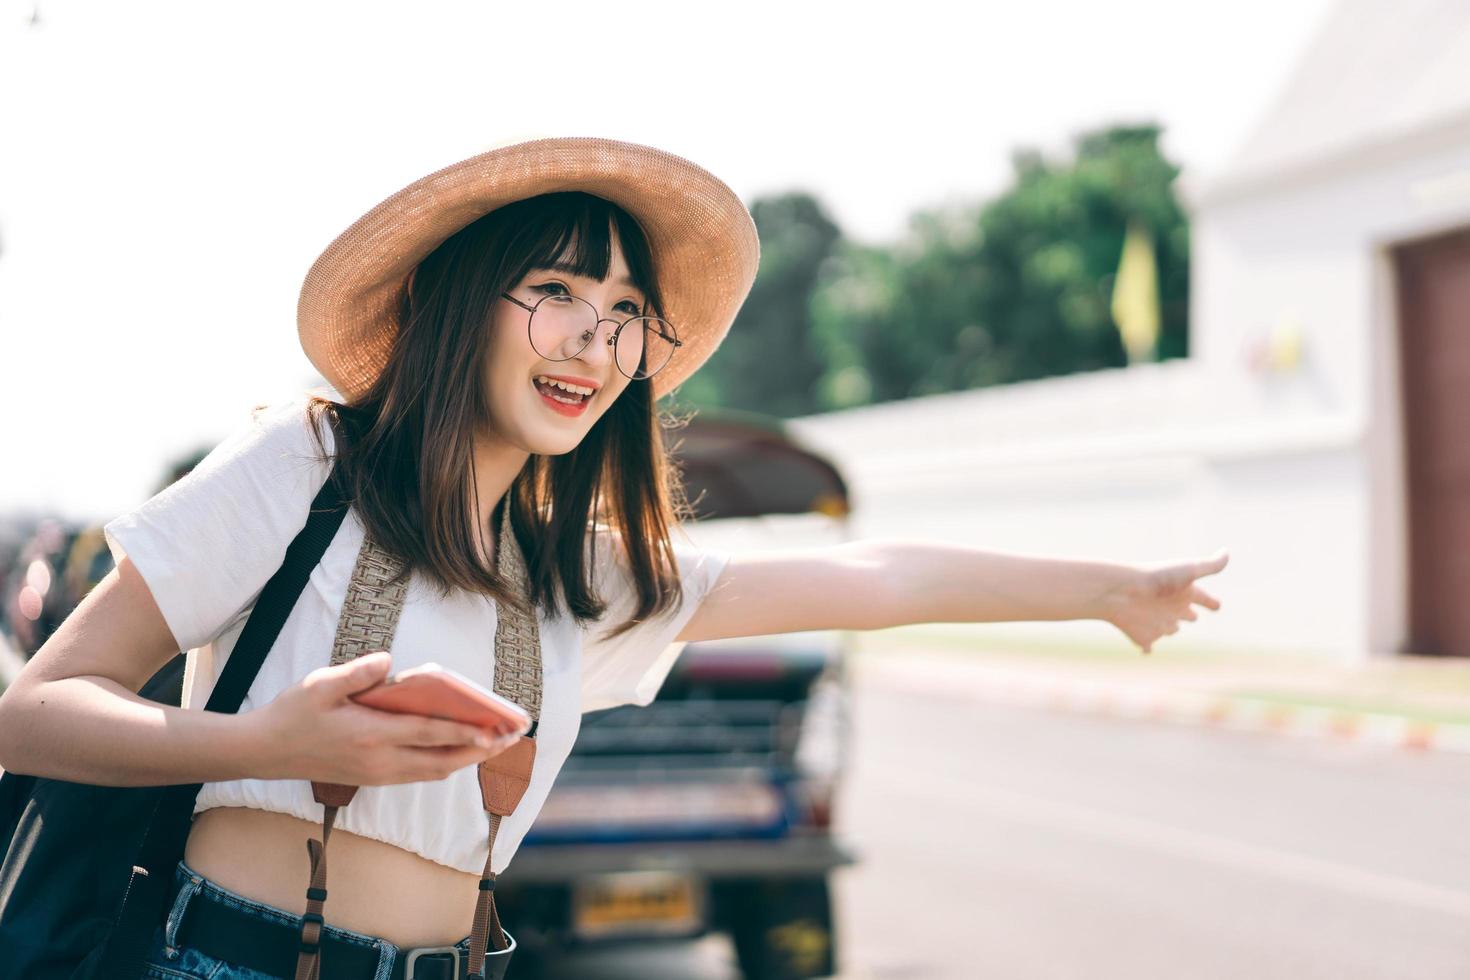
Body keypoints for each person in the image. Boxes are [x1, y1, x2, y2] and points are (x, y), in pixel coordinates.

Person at [0, 137, 1228, 978]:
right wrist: (270, 743)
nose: (595, 335)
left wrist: (1104, 590)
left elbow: (879, 576)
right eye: (555, 287)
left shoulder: (581, 573)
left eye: (628, 309)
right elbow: (36, 710)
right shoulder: (308, 465)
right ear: (457, 301)